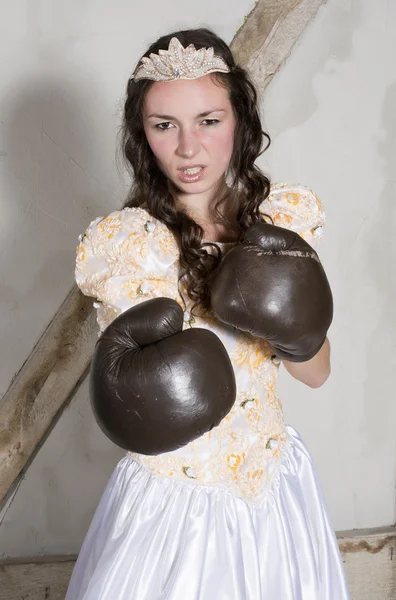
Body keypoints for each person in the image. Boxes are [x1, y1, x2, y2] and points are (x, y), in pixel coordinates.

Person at [66, 28, 350, 600]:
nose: (188, 147)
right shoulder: (130, 247)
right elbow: (142, 412)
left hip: (272, 483)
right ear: (142, 135)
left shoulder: (276, 225)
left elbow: (315, 372)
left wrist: (293, 321)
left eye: (209, 120)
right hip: (177, 498)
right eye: (164, 125)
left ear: (240, 121)